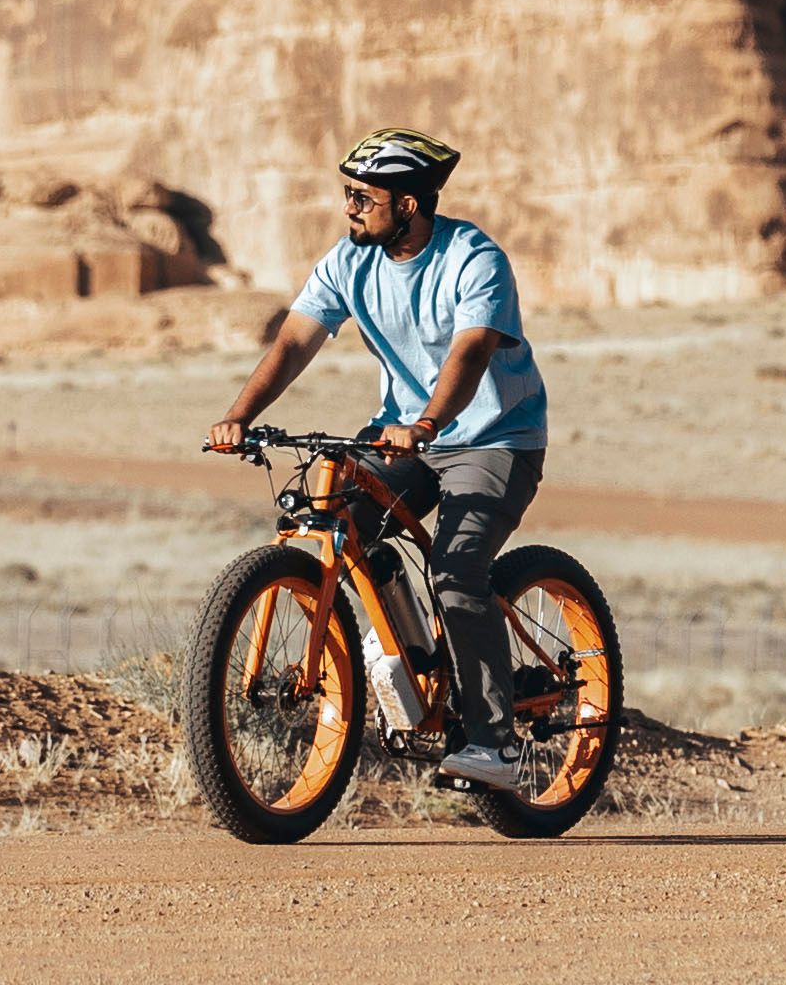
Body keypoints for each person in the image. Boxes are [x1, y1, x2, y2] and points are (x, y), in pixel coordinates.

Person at [205, 126, 553, 785]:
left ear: (410, 204)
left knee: (456, 574)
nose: (349, 207)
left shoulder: (472, 257)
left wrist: (426, 423)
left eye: (363, 195)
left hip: (493, 437)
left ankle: (496, 742)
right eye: (348, 193)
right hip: (401, 435)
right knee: (340, 525)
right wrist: (239, 417)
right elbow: (292, 344)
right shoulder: (350, 260)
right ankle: (414, 667)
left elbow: (472, 351)